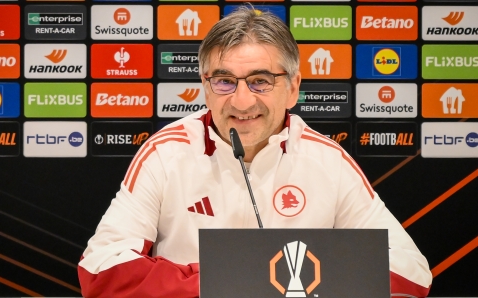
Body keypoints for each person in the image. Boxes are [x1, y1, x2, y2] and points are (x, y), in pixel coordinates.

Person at [78, 7, 432, 297]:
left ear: (293, 88)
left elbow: (409, 272)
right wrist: (225, 281)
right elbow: (101, 268)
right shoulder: (165, 152)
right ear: (205, 85)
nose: (242, 100)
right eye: (224, 80)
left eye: (261, 81)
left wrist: (300, 280)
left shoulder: (327, 161)